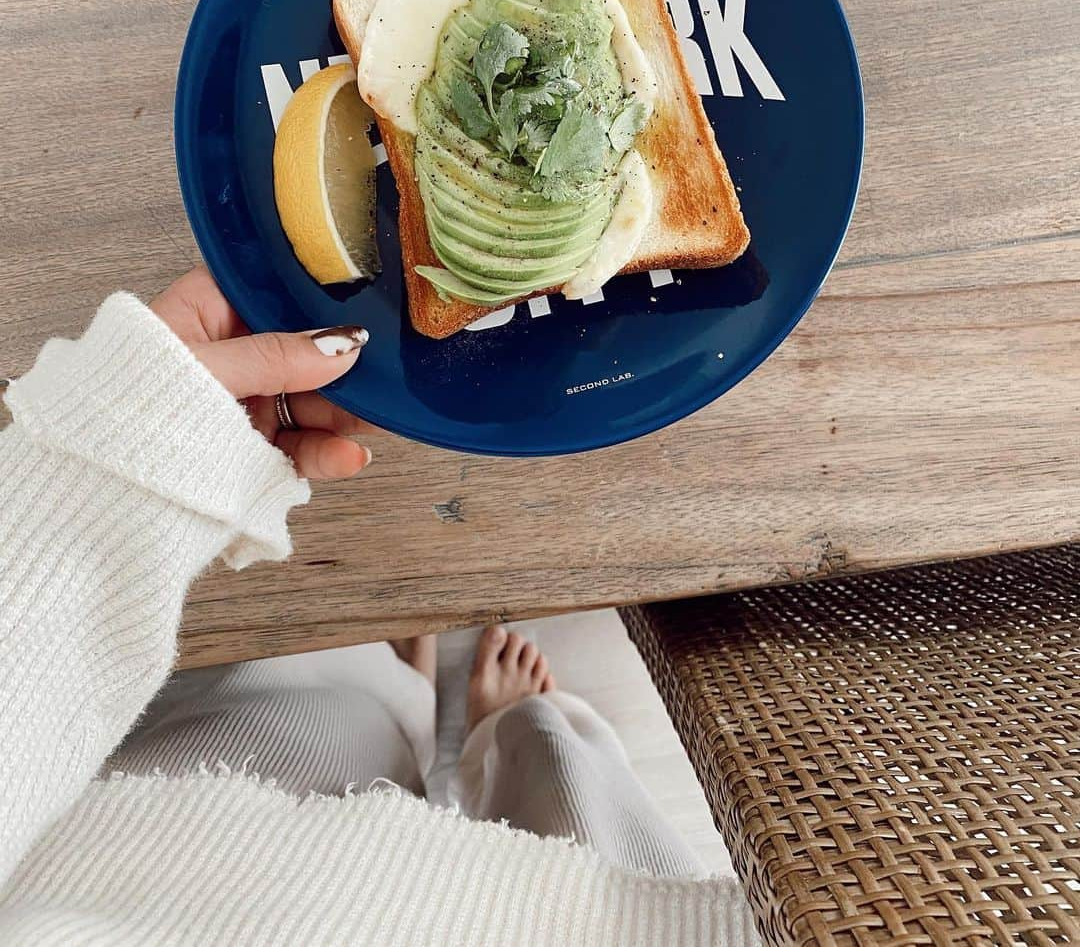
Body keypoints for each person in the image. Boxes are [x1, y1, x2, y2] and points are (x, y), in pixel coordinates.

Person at [0, 268, 758, 945]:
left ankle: (388, 689)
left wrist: (113, 467)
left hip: (154, 876)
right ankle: (504, 724)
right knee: (575, 808)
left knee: (302, 723)